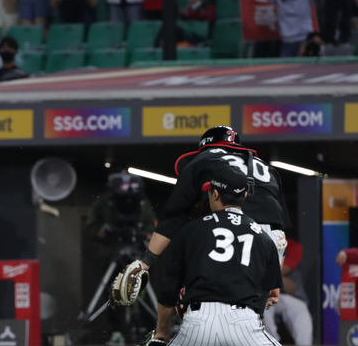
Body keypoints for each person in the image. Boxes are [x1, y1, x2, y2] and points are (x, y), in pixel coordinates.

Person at [147, 164, 307, 346]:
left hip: (198, 324)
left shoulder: (191, 230)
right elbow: (270, 295)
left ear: (214, 194)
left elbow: (170, 288)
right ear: (244, 195)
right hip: (244, 324)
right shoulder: (263, 237)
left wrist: (162, 330)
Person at [111, 126, 291, 310]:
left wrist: (145, 262)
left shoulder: (203, 158)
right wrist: (274, 275)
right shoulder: (267, 168)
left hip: (229, 233)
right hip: (271, 241)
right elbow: (279, 227)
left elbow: (173, 216)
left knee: (201, 300)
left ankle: (175, 326)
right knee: (253, 312)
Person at [87, 171, 155, 346]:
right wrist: (103, 230)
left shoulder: (142, 202)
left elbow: (150, 228)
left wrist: (144, 234)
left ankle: (152, 332)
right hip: (111, 253)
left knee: (142, 291)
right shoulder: (103, 203)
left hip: (137, 255)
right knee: (113, 293)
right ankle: (116, 332)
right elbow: (92, 229)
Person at [264, 238, 313, 346]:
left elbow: (285, 269)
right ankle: (271, 345)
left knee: (299, 308)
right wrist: (279, 278)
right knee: (263, 304)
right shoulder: (259, 242)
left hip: (287, 297)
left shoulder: (292, 246)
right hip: (264, 294)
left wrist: (269, 274)